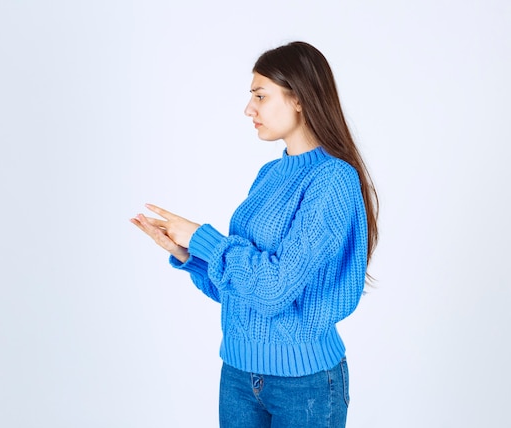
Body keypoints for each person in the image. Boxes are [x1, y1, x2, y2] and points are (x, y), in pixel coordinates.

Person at [130, 41, 378, 428]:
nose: (250, 109)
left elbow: (275, 287)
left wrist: (204, 239)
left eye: (260, 96)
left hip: (304, 385)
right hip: (238, 375)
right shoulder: (270, 175)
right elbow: (244, 291)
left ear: (298, 99)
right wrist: (188, 255)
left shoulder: (333, 179)